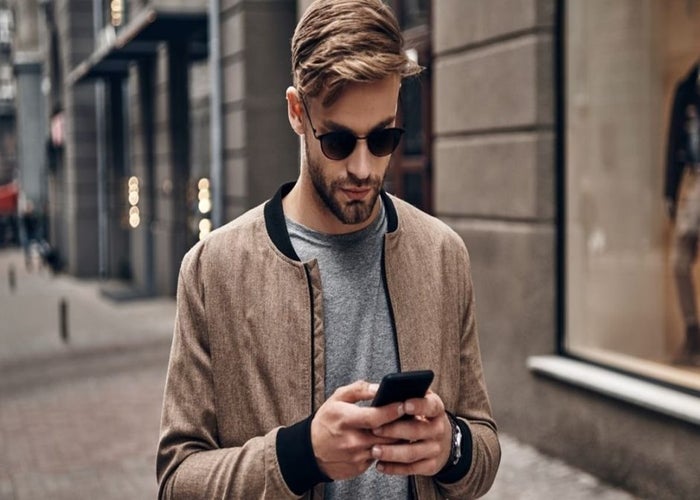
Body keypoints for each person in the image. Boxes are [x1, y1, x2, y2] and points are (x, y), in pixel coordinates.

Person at [157, 0, 501, 498]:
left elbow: (483, 448)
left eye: (383, 138)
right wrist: (301, 455)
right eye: (339, 142)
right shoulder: (215, 271)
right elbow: (175, 482)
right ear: (298, 113)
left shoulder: (442, 255)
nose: (363, 168)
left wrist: (451, 446)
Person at [665, 62, 700, 366]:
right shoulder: (687, 86)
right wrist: (669, 191)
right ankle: (692, 330)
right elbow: (673, 141)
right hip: (691, 179)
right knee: (679, 260)